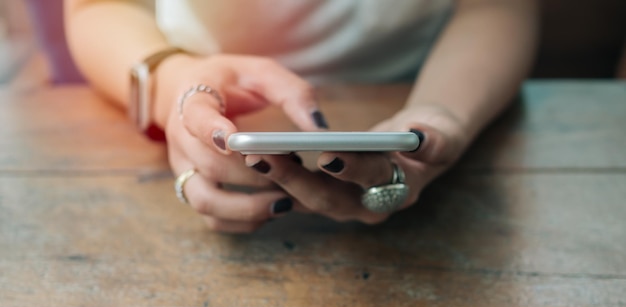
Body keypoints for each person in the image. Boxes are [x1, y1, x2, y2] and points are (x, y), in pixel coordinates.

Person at [64, 0, 539, 233]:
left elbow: (499, 6)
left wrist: (446, 111)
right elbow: (99, 7)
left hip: (430, 78)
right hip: (220, 94)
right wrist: (174, 86)